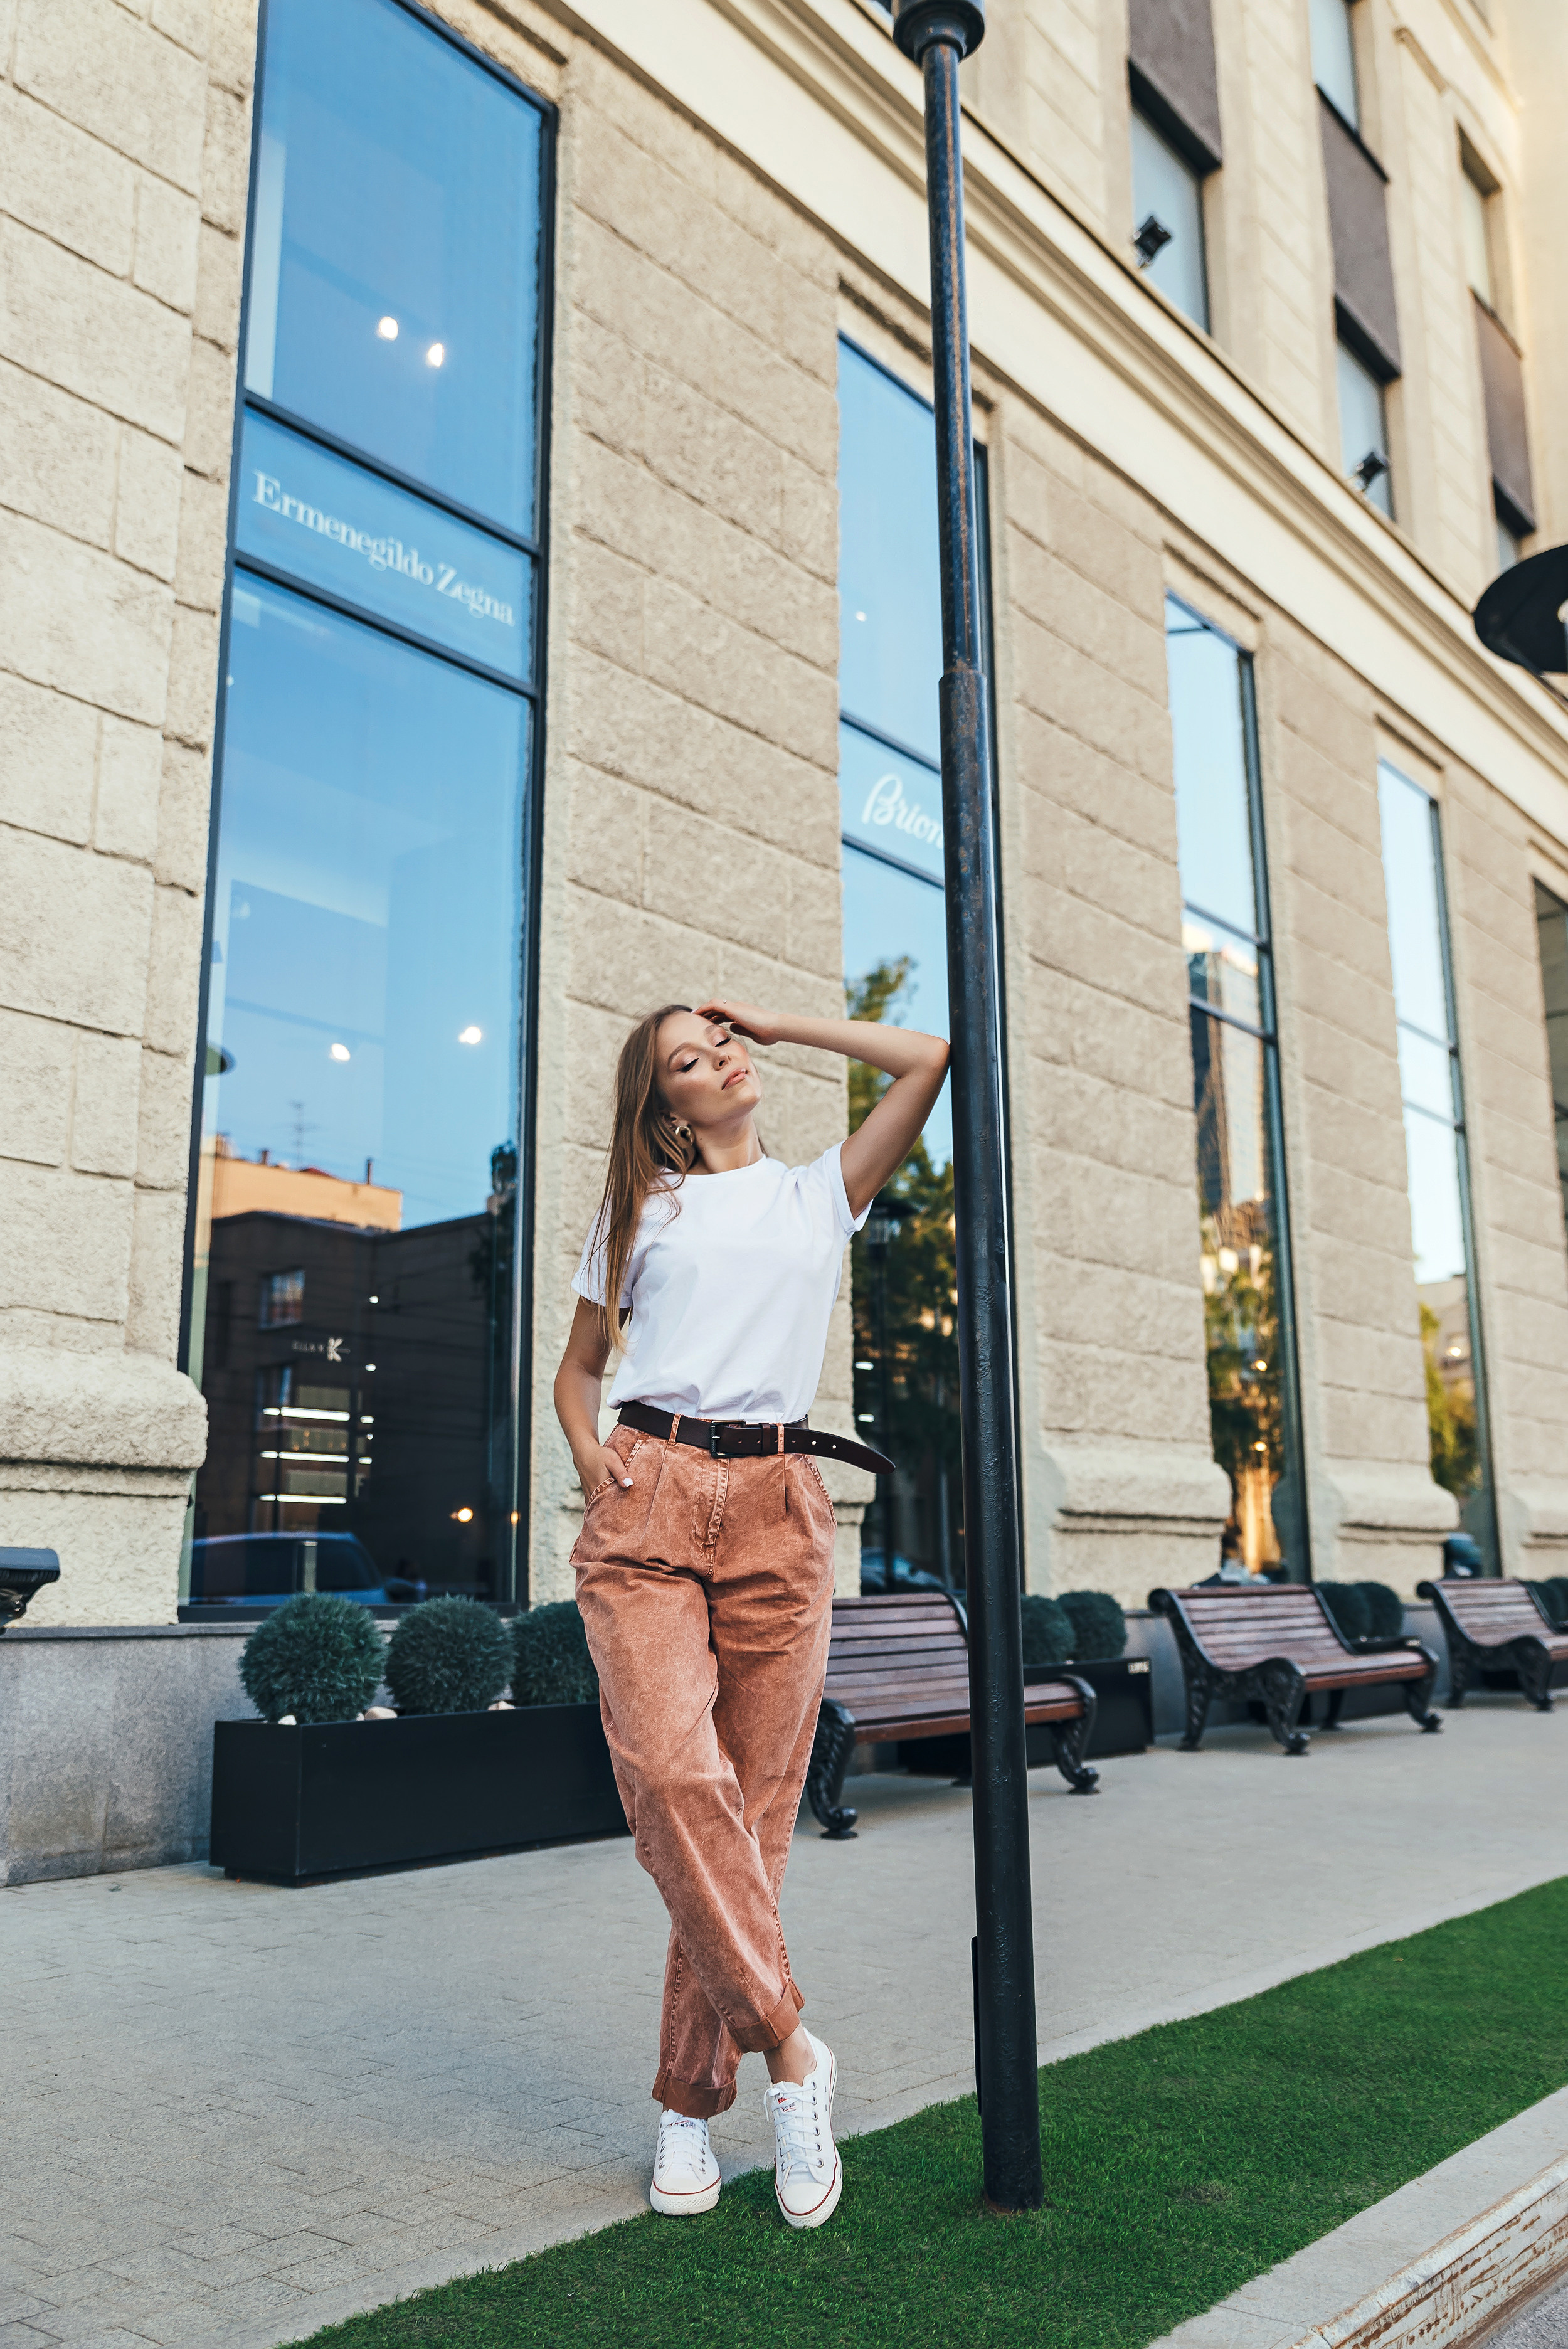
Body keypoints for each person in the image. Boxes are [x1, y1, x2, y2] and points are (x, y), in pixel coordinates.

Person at [553, 997, 948, 2230]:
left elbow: (927, 1058)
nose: (716, 1061)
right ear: (662, 1104)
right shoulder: (642, 1210)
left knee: (751, 1828)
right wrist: (587, 1457)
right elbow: (576, 1368)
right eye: (686, 1058)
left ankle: (685, 2107)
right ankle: (789, 2052)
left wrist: (778, 1021)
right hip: (651, 1493)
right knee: (674, 1781)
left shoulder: (813, 1193)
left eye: (719, 1045)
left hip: (782, 1500)